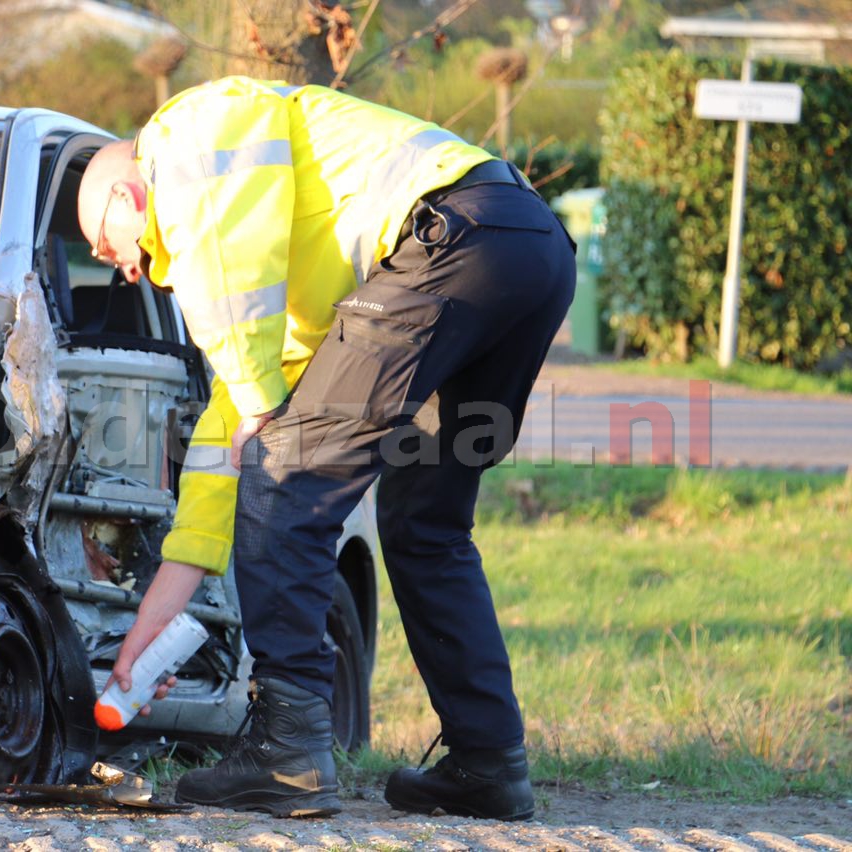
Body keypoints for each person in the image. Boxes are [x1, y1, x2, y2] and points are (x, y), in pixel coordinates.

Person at [77, 76, 575, 821]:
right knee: (423, 525)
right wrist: (163, 602)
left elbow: (241, 332)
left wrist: (258, 409)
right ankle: (488, 763)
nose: (118, 264)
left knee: (287, 476)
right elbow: (233, 424)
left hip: (449, 240)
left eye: (100, 242)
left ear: (127, 196)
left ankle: (287, 753)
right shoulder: (277, 273)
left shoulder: (184, 134)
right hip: (526, 247)